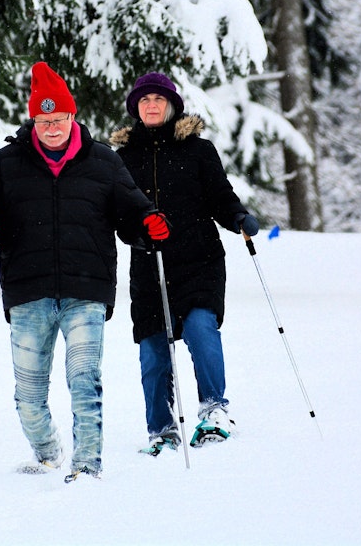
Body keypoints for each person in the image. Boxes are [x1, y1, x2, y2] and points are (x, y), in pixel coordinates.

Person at [0, 62, 168, 482]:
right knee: (29, 398)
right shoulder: (5, 164)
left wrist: (149, 227)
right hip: (27, 292)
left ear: (72, 116)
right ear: (33, 119)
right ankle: (49, 451)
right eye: (44, 120)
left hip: (85, 289)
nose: (52, 128)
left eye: (59, 119)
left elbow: (133, 215)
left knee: (84, 382)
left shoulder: (103, 162)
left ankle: (87, 464)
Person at [109, 72, 260, 454]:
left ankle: (214, 411)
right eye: (144, 101)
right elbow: (119, 216)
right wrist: (140, 234)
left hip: (199, 259)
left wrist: (239, 218)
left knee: (201, 329)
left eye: (159, 99)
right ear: (136, 110)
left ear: (172, 105)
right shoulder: (122, 159)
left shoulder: (199, 150)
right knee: (153, 352)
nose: (152, 105)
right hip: (148, 267)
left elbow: (221, 198)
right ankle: (161, 430)